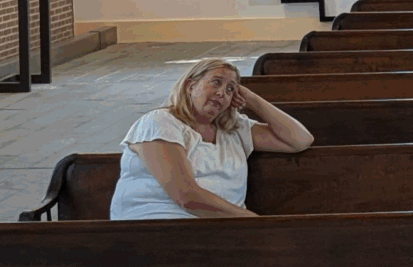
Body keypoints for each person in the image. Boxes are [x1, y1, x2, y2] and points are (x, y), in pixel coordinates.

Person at [109, 59, 314, 222]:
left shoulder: (234, 130)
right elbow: (187, 197)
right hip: (159, 227)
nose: (221, 93)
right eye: (216, 82)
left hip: (221, 231)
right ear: (190, 85)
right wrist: (257, 224)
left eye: (230, 90)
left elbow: (300, 140)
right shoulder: (160, 121)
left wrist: (251, 98)